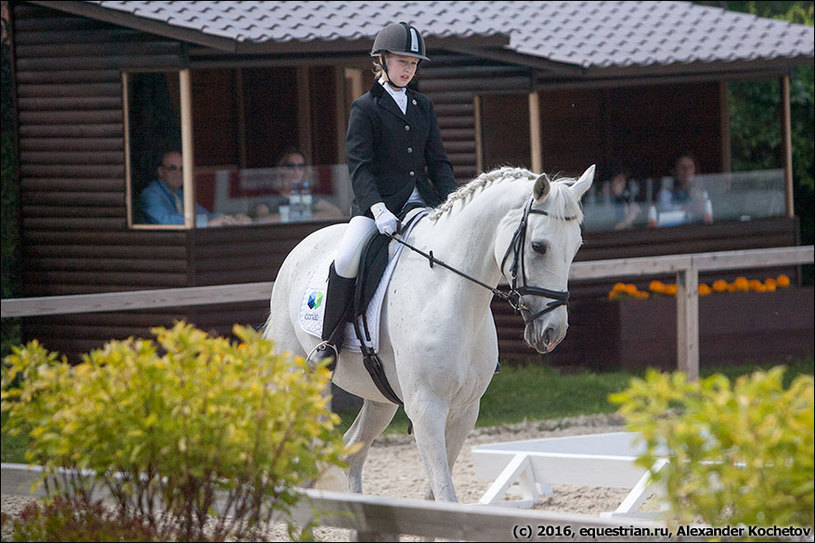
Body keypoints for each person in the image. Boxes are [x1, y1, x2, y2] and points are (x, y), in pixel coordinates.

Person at [309, 22, 459, 365]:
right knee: (347, 257)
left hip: (422, 200)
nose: (409, 69)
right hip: (379, 206)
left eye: (414, 63)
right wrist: (377, 208)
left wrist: (453, 201)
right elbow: (359, 166)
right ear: (383, 60)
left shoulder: (423, 106)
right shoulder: (365, 107)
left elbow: (438, 162)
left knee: (462, 251)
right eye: (403, 61)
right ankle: (329, 340)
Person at [137, 151, 250, 226]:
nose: (179, 173)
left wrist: (229, 218)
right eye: (173, 168)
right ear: (161, 171)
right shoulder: (151, 194)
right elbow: (166, 221)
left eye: (182, 168)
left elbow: (202, 214)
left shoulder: (180, 194)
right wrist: (207, 222)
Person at [252, 148, 344, 222]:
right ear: (281, 169)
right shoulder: (270, 195)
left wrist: (309, 216)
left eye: (301, 166)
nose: (296, 171)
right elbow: (260, 219)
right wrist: (294, 215)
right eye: (291, 166)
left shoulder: (305, 195)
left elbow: (337, 213)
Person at [657, 152, 706, 221]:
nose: (687, 171)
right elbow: (665, 212)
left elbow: (705, 214)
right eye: (682, 167)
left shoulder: (701, 193)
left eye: (690, 167)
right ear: (673, 171)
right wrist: (688, 209)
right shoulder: (665, 194)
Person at [601, 161, 640, 230]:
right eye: (619, 180)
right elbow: (610, 232)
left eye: (624, 180)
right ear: (609, 183)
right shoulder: (600, 203)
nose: (623, 184)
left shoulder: (620, 200)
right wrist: (629, 218)